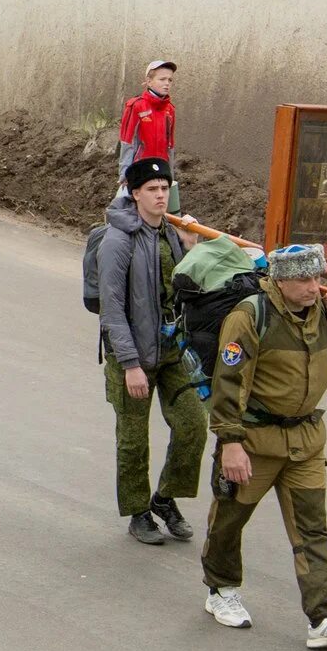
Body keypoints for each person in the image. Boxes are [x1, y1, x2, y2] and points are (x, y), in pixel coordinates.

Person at [199, 243, 327, 649]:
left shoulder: (324, 312)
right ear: (280, 280)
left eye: (317, 277)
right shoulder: (249, 316)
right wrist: (230, 442)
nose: (315, 287)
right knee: (230, 517)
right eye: (304, 279)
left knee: (313, 528)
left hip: (306, 441)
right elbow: (229, 383)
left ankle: (324, 616)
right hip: (255, 440)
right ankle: (221, 589)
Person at [97, 156, 205, 544]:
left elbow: (180, 291)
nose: (161, 196)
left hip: (172, 351)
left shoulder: (170, 234)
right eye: (153, 190)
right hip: (134, 357)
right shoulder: (118, 240)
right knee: (133, 439)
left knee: (194, 423)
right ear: (135, 193)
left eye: (165, 189)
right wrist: (129, 364)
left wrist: (190, 250)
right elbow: (111, 309)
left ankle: (165, 498)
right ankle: (138, 511)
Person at [115, 58, 176, 181]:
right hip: (139, 169)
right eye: (162, 79)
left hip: (161, 169)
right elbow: (127, 141)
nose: (167, 83)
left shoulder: (170, 110)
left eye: (170, 80)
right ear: (149, 81)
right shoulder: (136, 106)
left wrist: (170, 175)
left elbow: (170, 145)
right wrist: (125, 174)